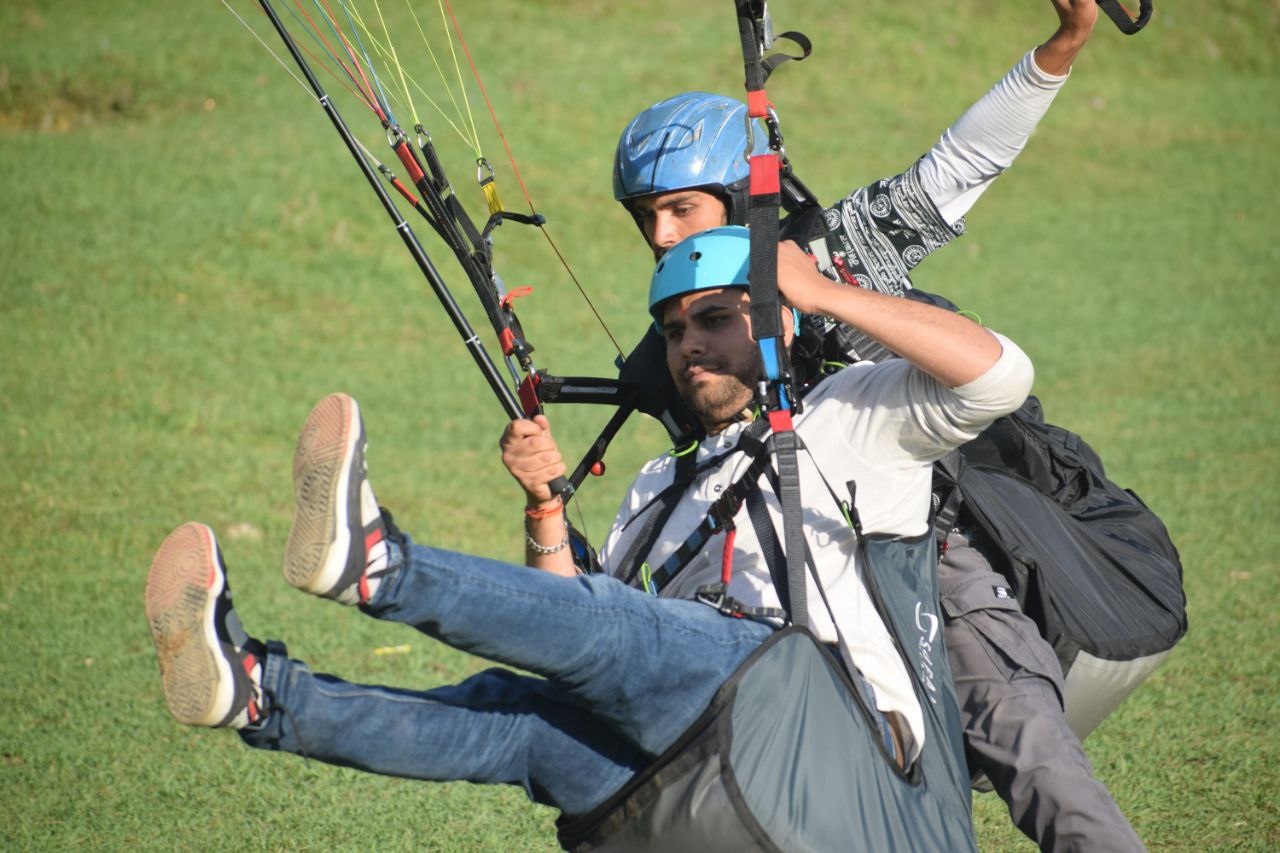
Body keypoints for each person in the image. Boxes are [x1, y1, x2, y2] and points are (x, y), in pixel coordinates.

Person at [145, 226, 1032, 835]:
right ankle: (262, 694)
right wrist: (544, 511)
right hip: (713, 778)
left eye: (715, 317)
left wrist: (816, 286)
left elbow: (999, 378)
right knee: (520, 721)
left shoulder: (854, 418)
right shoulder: (659, 486)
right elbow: (577, 634)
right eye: (676, 330)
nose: (690, 344)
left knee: (627, 632)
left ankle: (376, 564)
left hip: (845, 766)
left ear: (777, 321)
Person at [610, 3, 1148, 851]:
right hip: (781, 585)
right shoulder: (679, 331)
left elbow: (958, 168)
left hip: (921, 557)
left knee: (1034, 755)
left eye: (679, 209)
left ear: (737, 190)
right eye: (647, 218)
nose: (660, 236)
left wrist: (1063, 45)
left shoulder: (835, 254)